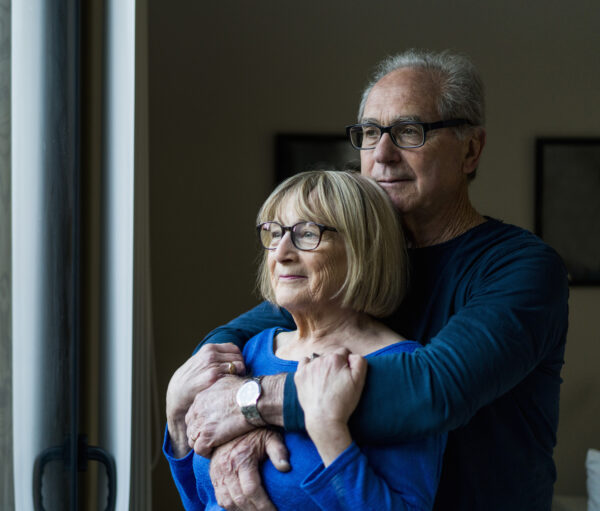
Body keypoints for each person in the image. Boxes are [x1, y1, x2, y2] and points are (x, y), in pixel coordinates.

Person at [168, 49, 569, 510]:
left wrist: (249, 402)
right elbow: (235, 339)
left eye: (409, 131)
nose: (382, 154)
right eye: (370, 133)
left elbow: (432, 392)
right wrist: (229, 415)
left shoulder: (521, 267)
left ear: (471, 149)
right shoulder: (351, 259)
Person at [164, 170, 446, 510]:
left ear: (364, 249)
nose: (281, 252)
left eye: (308, 233)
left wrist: (330, 434)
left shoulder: (398, 367)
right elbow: (203, 501)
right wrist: (177, 420)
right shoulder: (252, 350)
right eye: (274, 232)